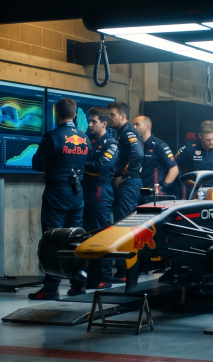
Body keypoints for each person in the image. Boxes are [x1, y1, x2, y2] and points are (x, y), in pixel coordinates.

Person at [29, 97, 90, 300]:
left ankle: (51, 287)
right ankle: (78, 284)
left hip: (56, 193)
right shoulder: (84, 137)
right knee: (77, 239)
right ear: (74, 114)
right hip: (77, 194)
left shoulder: (52, 136)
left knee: (52, 238)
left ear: (57, 114)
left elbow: (36, 164)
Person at [82, 107, 120, 289]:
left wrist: (80, 165)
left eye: (94, 121)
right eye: (89, 121)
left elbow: (101, 166)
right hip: (85, 191)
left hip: (100, 192)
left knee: (101, 235)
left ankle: (105, 277)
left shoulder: (111, 144)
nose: (90, 124)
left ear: (104, 123)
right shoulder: (88, 141)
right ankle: (91, 277)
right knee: (86, 237)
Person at [107, 102, 144, 221]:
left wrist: (124, 176)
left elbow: (138, 154)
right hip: (127, 184)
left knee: (125, 224)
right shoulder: (121, 132)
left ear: (123, 116)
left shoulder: (128, 132)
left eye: (112, 115)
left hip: (128, 184)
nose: (109, 118)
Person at [175, 120, 213, 198]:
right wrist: (186, 180)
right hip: (195, 191)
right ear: (200, 136)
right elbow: (173, 165)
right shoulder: (188, 148)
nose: (211, 142)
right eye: (208, 139)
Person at [133, 115, 179, 198]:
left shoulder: (159, 145)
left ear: (147, 127)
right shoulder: (136, 145)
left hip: (154, 195)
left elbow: (174, 169)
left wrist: (163, 188)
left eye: (137, 124)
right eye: (133, 125)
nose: (134, 127)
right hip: (137, 192)